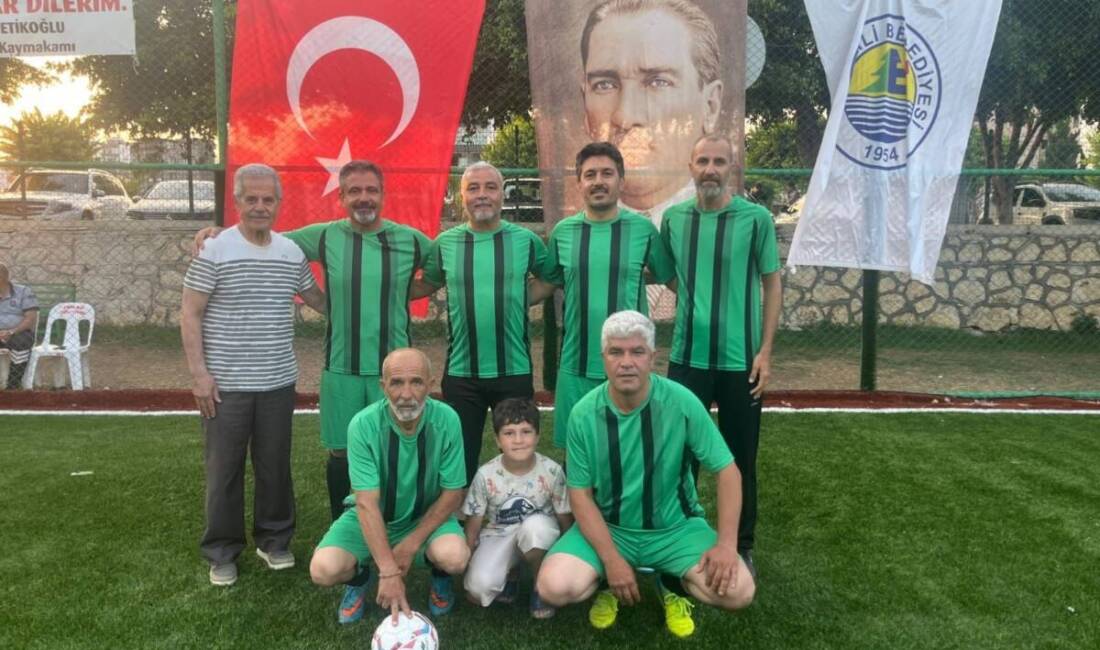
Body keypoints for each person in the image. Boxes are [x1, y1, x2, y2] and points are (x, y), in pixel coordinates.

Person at [193, 161, 431, 524]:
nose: (363, 198)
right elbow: (263, 234)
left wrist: (401, 291)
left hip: (396, 372)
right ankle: (345, 527)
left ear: (383, 195)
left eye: (371, 190)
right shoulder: (324, 236)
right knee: (342, 452)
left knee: (397, 447)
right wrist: (221, 232)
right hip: (341, 369)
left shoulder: (411, 240)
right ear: (341, 197)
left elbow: (441, 269)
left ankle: (397, 522)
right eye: (354, 191)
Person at [536, 311, 755, 639]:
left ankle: (672, 583)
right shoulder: (582, 415)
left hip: (675, 529)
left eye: (637, 352)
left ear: (652, 358)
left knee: (739, 592)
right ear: (603, 359)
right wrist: (611, 560)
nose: (626, 362)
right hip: (610, 529)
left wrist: (726, 544)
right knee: (554, 587)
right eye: (616, 352)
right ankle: (606, 583)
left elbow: (727, 471)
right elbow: (580, 495)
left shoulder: (681, 402)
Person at [181, 163, 327, 587]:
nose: (260, 206)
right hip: (225, 387)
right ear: (237, 202)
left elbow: (319, 300)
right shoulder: (215, 250)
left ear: (279, 203)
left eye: (268, 199)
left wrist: (369, 301)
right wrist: (199, 376)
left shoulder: (290, 252)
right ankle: (222, 551)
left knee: (274, 466)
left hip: (278, 382)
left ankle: (274, 541)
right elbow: (190, 313)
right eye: (251, 199)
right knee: (223, 471)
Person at [660, 134, 782, 578]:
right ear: (690, 166)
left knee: (740, 455)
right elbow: (667, 273)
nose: (710, 169)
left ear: (732, 167)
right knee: (679, 455)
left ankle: (742, 545)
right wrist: (696, 298)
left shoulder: (756, 219)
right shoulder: (673, 219)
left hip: (741, 363)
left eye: (719, 161)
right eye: (703, 161)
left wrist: (765, 351)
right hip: (687, 359)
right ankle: (679, 535)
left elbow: (772, 282)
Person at [412, 162, 551, 484]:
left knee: (519, 454)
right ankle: (461, 513)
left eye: (490, 187)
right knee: (459, 459)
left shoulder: (526, 241)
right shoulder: (445, 244)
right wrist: (383, 281)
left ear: (502, 193)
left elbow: (549, 279)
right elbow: (427, 284)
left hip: (513, 370)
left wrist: (517, 299)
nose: (482, 194)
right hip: (462, 374)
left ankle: (518, 509)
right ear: (462, 196)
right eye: (473, 188)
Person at [529, 142, 675, 446]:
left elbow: (671, 279)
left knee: (631, 454)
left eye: (607, 173)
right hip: (576, 366)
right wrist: (501, 298)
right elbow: (546, 284)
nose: (598, 181)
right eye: (590, 174)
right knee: (578, 456)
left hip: (630, 367)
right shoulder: (563, 232)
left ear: (621, 180)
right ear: (579, 183)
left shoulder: (643, 230)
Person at [309, 348, 469, 623]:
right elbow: (366, 503)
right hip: (374, 516)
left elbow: (453, 493)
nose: (406, 394)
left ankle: (440, 577)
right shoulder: (363, 425)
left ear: (430, 385)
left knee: (455, 558)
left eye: (416, 382)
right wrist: (388, 569)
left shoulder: (447, 420)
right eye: (396, 383)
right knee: (324, 570)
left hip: (425, 514)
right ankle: (360, 578)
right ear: (383, 387)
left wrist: (409, 545)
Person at [580, 0, 724, 220]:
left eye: (658, 82)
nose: (625, 117)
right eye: (605, 85)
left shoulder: (736, 226)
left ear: (710, 105)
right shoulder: (571, 233)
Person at [462, 398, 572, 618]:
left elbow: (565, 518)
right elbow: (473, 525)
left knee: (535, 528)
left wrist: (568, 557)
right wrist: (469, 565)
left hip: (539, 535)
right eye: (509, 433)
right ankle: (510, 573)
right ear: (497, 439)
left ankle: (541, 584)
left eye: (526, 432)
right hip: (500, 535)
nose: (518, 440)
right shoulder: (485, 475)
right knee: (478, 589)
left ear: (538, 436)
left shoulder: (552, 471)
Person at [0, 263, 38, 390]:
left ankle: (13, 383)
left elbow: (31, 318)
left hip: (18, 332)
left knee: (21, 343)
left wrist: (11, 332)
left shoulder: (23, 292)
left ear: (3, 277)